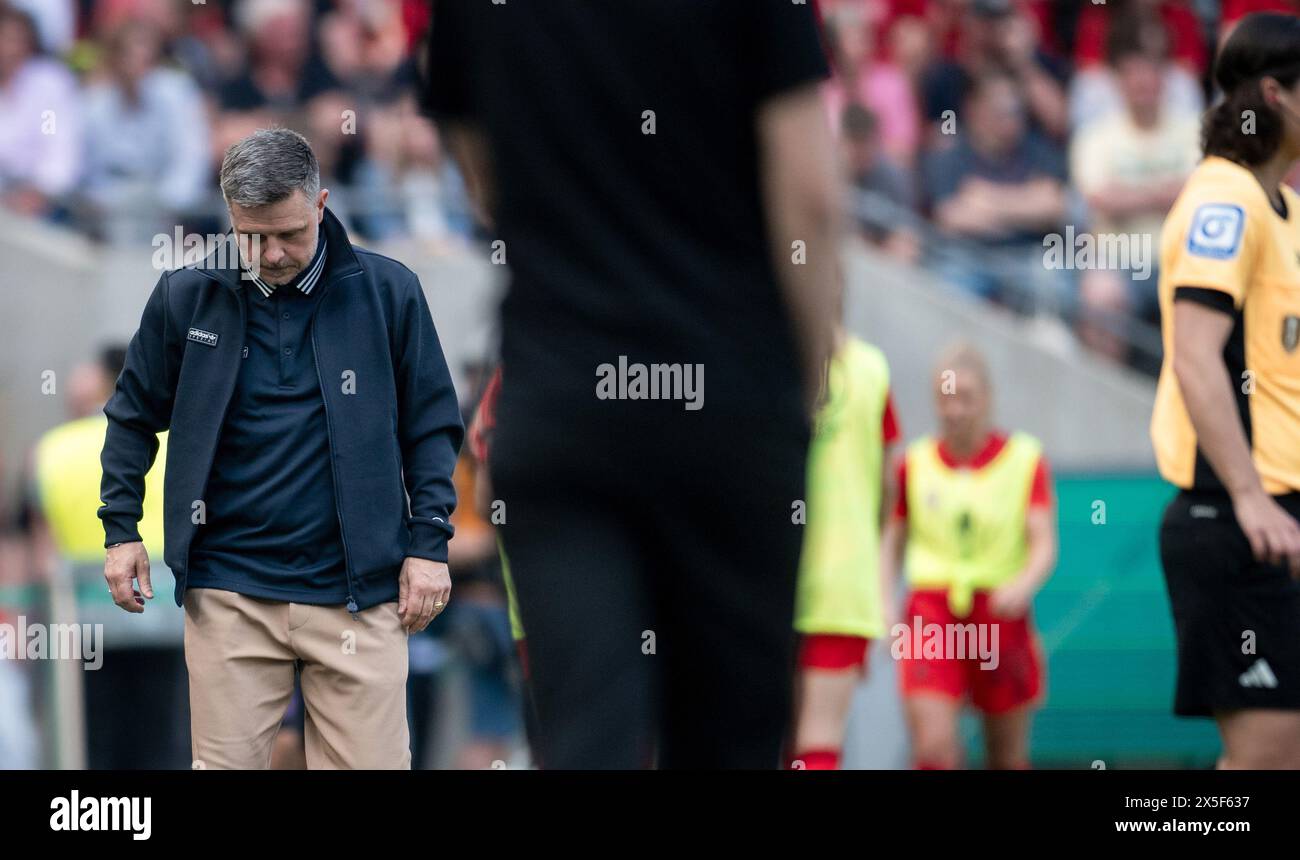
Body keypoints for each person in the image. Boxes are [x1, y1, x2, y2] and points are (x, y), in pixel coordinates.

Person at [423, 0, 842, 768]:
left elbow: (483, 175)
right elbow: (809, 195)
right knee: (730, 741)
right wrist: (807, 381)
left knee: (586, 736)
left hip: (561, 396)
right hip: (731, 402)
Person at [98, 127, 463, 769]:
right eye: (251, 235)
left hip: (362, 594)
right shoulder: (186, 296)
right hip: (229, 592)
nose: (269, 252)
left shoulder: (388, 292)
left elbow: (432, 427)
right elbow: (131, 417)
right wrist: (120, 529)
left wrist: (429, 545)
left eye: (288, 233)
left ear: (321, 203)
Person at [1150, 11, 1300, 770]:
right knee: (1269, 757)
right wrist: (1248, 497)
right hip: (1235, 516)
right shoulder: (1224, 200)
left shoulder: (1288, 214)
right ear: (1276, 94)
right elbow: (1196, 358)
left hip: (1279, 517)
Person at [881, 342, 1056, 769]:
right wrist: (885, 604)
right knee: (934, 749)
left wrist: (1022, 584)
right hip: (931, 614)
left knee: (1007, 756)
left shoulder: (1023, 459)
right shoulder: (914, 463)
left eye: (965, 398)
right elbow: (892, 541)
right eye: (945, 398)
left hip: (1000, 614)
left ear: (988, 399)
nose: (954, 409)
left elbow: (1043, 542)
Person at [30, 346, 188, 769]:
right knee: (167, 732)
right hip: (169, 612)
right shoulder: (173, 439)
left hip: (82, 618)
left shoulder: (52, 448)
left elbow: (42, 550)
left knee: (95, 736)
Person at [788, 326, 900, 770]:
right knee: (818, 741)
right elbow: (891, 488)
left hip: (765, 580)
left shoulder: (751, 347)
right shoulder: (871, 368)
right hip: (841, 588)